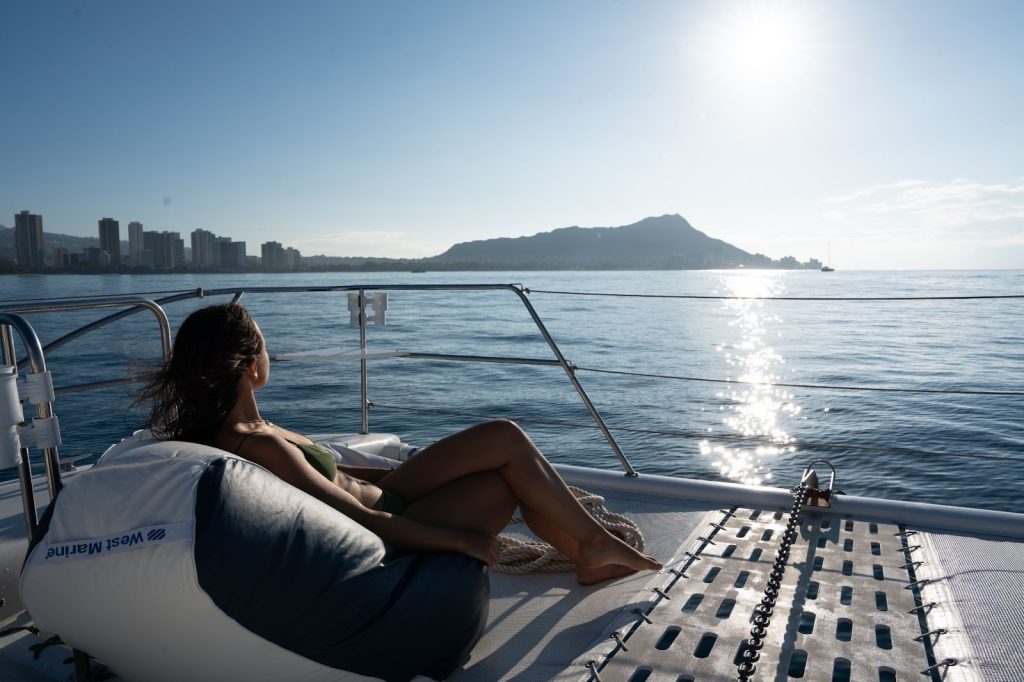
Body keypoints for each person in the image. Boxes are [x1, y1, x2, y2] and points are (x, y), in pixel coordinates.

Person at [140, 303, 661, 585]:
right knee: (505, 478)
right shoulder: (256, 443)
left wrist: (394, 475)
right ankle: (591, 550)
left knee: (502, 437)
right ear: (252, 365)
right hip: (390, 523)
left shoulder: (254, 430)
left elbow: (335, 480)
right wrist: (458, 542)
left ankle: (591, 550)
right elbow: (359, 518)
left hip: (390, 490)